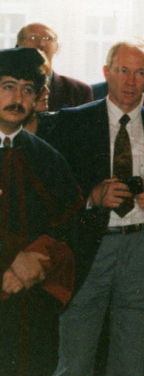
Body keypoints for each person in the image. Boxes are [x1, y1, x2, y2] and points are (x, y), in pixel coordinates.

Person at [48, 38, 144, 376]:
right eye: (123, 71)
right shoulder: (73, 121)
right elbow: (54, 189)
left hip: (142, 247)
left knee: (135, 359)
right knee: (75, 357)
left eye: (139, 73)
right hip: (89, 246)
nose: (130, 81)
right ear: (107, 72)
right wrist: (92, 197)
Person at [0, 47, 82, 376]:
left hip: (31, 302)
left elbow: (71, 226)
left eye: (27, 90)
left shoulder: (47, 158)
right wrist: (10, 258)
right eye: (8, 86)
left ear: (37, 99)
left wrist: (39, 260)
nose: (17, 98)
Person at [16, 22, 93, 110]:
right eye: (33, 38)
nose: (41, 44)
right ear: (19, 44)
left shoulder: (79, 91)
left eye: (47, 38)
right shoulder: (5, 86)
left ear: (56, 47)